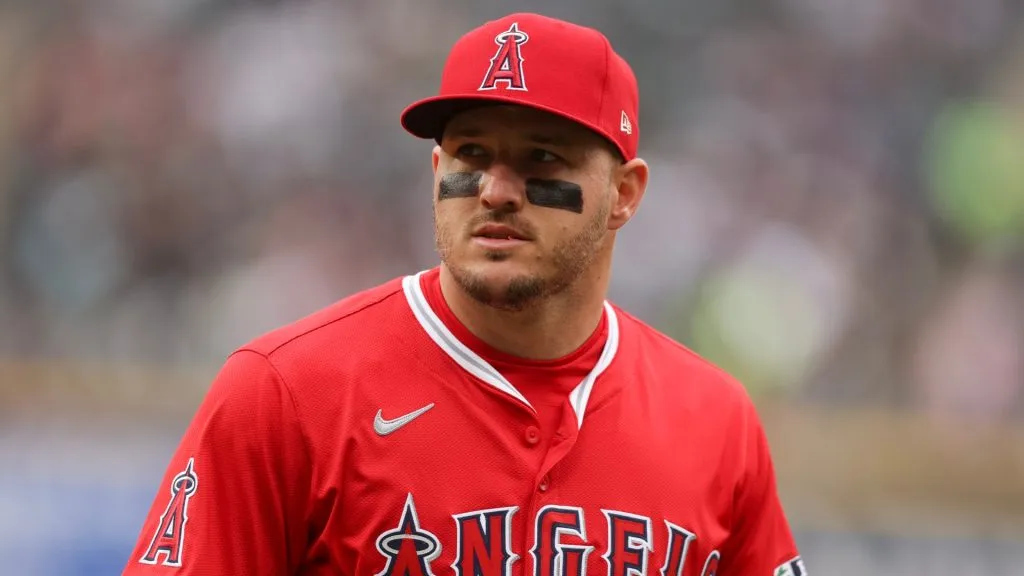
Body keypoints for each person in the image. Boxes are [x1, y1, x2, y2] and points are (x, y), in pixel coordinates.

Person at [121, 12, 806, 576]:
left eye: (542, 157)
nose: (496, 190)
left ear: (624, 195)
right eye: (471, 154)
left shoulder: (717, 423)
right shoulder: (286, 395)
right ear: (435, 168)